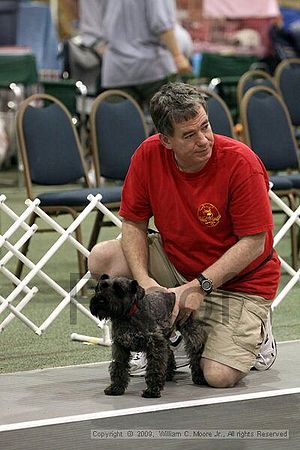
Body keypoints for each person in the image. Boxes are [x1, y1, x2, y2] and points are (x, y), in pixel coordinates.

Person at [88, 82, 280, 388]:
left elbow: (254, 243)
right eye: (189, 135)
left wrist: (199, 287)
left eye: (205, 126)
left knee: (216, 376)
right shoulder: (148, 155)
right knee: (103, 256)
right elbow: (134, 224)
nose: (204, 140)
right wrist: (147, 284)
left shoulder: (241, 163)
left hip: (242, 282)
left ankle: (258, 329)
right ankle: (162, 332)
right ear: (165, 139)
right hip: (178, 265)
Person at [100, 0, 192, 109]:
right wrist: (178, 56)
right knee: (174, 118)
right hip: (152, 67)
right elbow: (161, 23)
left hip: (116, 69)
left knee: (123, 123)